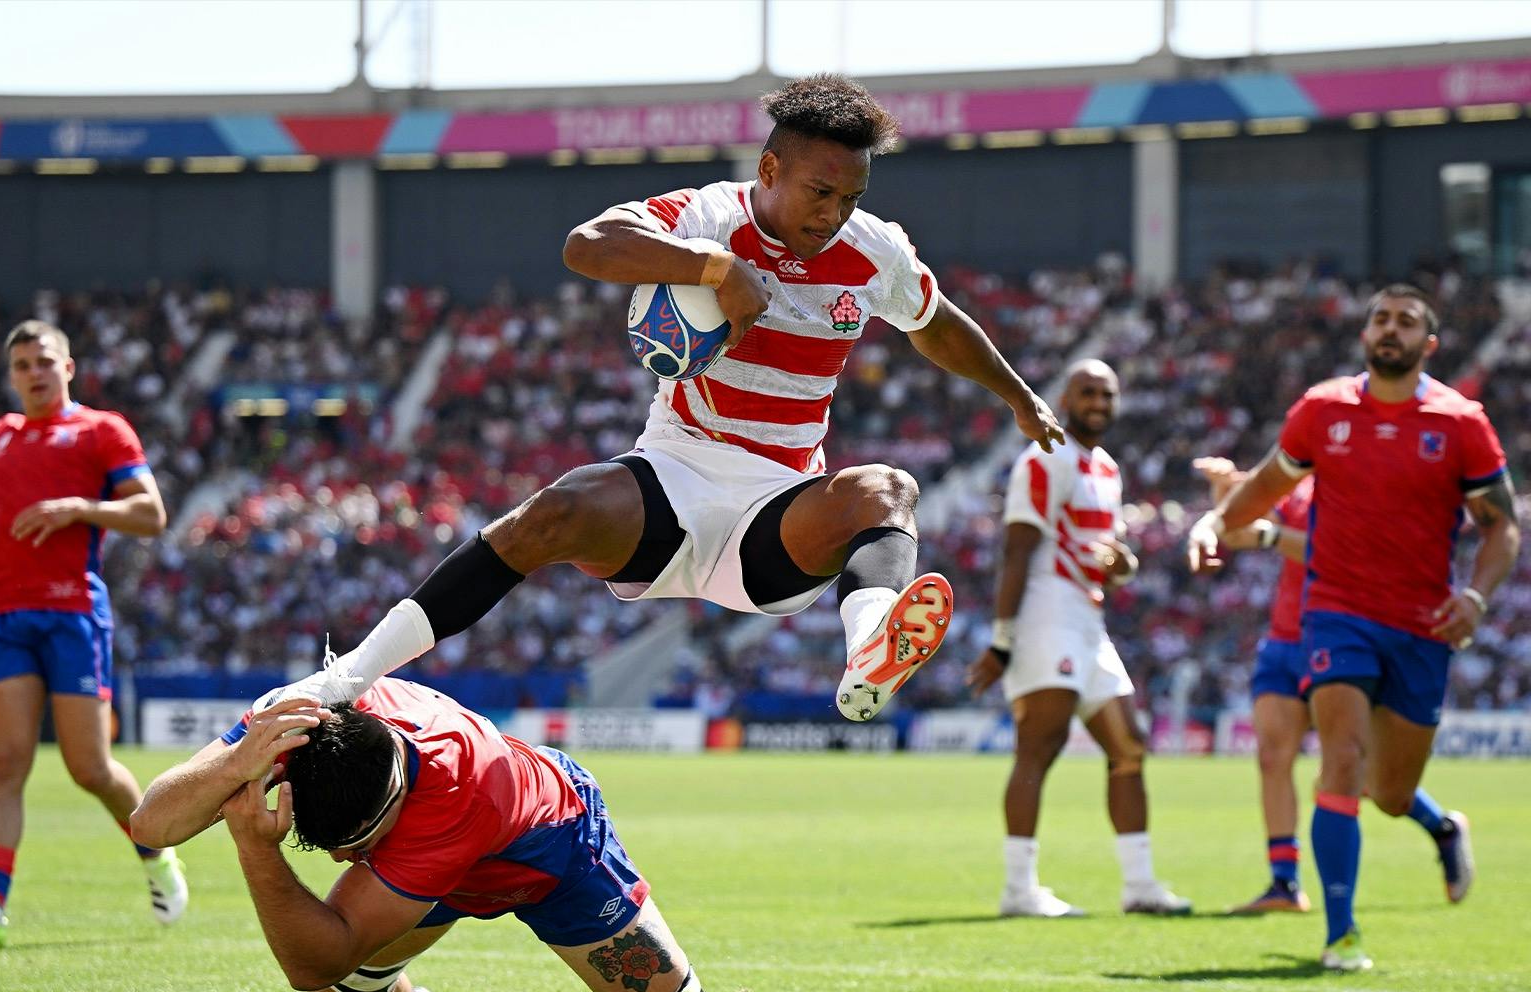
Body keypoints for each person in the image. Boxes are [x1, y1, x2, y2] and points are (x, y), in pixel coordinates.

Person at [275, 74, 1063, 723]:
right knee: (549, 514)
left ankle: (868, 653)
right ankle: (345, 679)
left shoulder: (874, 251)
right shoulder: (710, 216)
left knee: (886, 489)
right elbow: (586, 244)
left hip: (776, 512)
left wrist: (1020, 397)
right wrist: (713, 269)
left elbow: (937, 324)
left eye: (850, 198)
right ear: (769, 169)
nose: (834, 215)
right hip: (676, 474)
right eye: (821, 192)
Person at [130, 680, 719, 992]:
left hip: (550, 853)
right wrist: (237, 762)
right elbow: (152, 824)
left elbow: (313, 960)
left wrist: (257, 849)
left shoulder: (457, 792)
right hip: (433, 851)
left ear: (395, 803)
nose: (339, 858)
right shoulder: (304, 714)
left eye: (356, 842)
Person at [1188, 284, 1518, 971]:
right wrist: (1215, 522)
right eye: (1380, 319)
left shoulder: (1461, 423)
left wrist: (1477, 597)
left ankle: (1439, 826)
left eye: (1406, 322)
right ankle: (1340, 934)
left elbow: (1502, 528)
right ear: (1365, 336)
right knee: (1339, 758)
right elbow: (1269, 485)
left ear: (1429, 344)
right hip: (1337, 613)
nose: (1390, 329)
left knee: (1389, 792)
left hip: (1423, 625)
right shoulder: (1323, 409)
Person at [0, 320, 185, 949]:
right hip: (1, 615)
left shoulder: (103, 430)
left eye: (44, 361)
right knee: (7, 762)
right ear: (12, 375)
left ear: (68, 367)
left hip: (72, 611)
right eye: (22, 364)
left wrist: (80, 508)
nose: (34, 372)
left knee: (90, 768)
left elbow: (151, 513)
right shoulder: (2, 434)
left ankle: (155, 854)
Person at [1193, 458, 1476, 916]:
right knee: (1273, 756)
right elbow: (1238, 525)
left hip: (1342, 641)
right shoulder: (1297, 490)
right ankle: (1285, 882)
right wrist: (1223, 489)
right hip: (1286, 639)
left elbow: (1333, 554)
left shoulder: (1365, 494)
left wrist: (1269, 535)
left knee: (1357, 775)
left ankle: (1441, 827)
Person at [966, 360, 1190, 918]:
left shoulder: (1106, 468)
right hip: (1046, 616)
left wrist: (1123, 567)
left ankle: (1140, 885)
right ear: (1065, 401)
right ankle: (1019, 890)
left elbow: (1100, 555)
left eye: (1107, 394)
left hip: (1088, 621)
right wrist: (1003, 640)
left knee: (1129, 746)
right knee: (1039, 747)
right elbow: (1018, 549)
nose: (1098, 402)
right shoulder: (1046, 457)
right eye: (1087, 392)